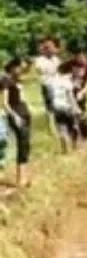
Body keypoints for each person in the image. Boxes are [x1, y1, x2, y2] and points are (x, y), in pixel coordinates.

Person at [2, 57, 32, 187]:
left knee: (25, 145)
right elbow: (4, 103)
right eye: (19, 67)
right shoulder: (5, 81)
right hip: (17, 115)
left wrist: (29, 62)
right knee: (22, 143)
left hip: (24, 113)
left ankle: (24, 177)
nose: (21, 70)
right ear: (13, 67)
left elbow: (27, 69)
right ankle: (20, 179)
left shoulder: (16, 79)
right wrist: (15, 116)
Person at [48, 61, 81, 154]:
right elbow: (70, 97)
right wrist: (76, 108)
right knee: (74, 126)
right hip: (67, 107)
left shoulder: (52, 81)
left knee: (62, 128)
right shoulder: (67, 82)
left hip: (57, 108)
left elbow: (50, 96)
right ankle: (75, 146)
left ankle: (65, 150)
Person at [34, 37, 61, 133]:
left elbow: (59, 71)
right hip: (48, 85)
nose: (52, 49)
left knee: (59, 106)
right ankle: (51, 128)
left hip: (57, 85)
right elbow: (41, 70)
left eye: (52, 47)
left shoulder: (56, 59)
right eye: (48, 47)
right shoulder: (40, 59)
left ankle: (58, 126)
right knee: (50, 108)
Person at [70, 50, 87, 141]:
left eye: (82, 57)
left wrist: (83, 92)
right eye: (78, 57)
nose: (80, 59)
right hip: (70, 92)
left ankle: (86, 136)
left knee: (83, 114)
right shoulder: (70, 65)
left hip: (81, 92)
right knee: (72, 115)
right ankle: (74, 137)